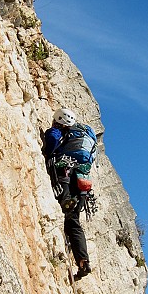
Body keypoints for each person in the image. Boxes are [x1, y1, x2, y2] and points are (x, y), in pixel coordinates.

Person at [43, 107, 97, 280]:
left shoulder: (59, 130)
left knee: (67, 211)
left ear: (59, 120)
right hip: (83, 181)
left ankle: (66, 201)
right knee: (74, 222)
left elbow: (52, 139)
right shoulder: (85, 134)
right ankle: (83, 261)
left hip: (65, 173)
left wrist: (48, 151)